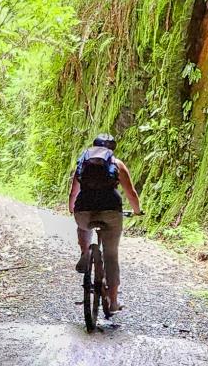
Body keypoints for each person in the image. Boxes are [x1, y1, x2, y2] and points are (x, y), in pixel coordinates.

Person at [68, 133, 141, 312]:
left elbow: (73, 193)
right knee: (111, 255)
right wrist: (137, 211)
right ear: (112, 149)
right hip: (111, 211)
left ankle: (85, 251)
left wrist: (72, 209)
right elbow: (130, 193)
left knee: (83, 226)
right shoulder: (117, 164)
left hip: (84, 210)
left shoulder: (82, 163)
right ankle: (113, 301)